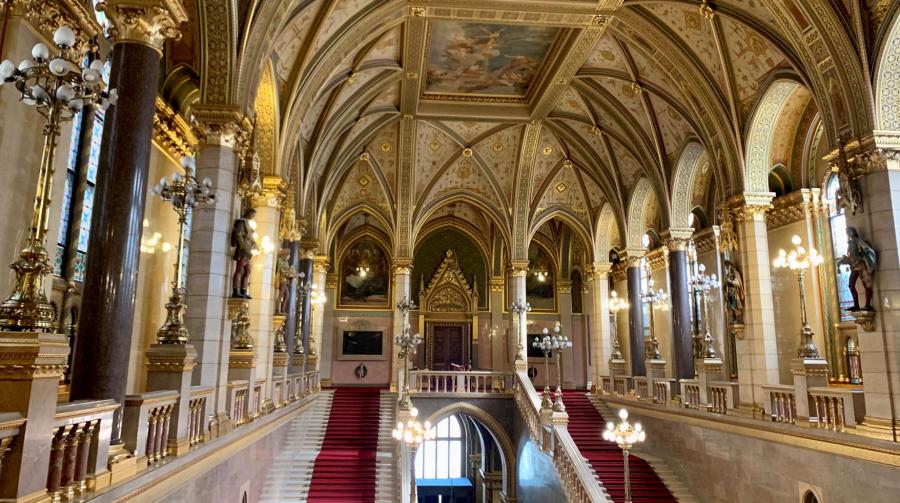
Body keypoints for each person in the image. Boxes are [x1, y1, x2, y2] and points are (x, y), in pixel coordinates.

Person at [838, 227, 876, 311]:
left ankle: (867, 305)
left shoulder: (858, 240)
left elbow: (865, 248)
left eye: (849, 231)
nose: (848, 233)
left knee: (866, 285)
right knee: (851, 285)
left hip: (860, 265)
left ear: (853, 232)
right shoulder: (849, 243)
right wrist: (841, 262)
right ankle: (856, 305)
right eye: (847, 232)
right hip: (853, 266)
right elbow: (850, 256)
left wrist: (863, 251)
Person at [231, 208, 257, 298]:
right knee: (240, 269)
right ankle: (236, 290)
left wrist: (255, 245)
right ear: (248, 213)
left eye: (254, 215)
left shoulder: (250, 224)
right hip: (243, 249)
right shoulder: (242, 222)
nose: (253, 217)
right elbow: (239, 235)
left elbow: (250, 237)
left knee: (247, 270)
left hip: (248, 250)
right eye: (252, 215)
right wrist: (244, 247)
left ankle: (243, 290)